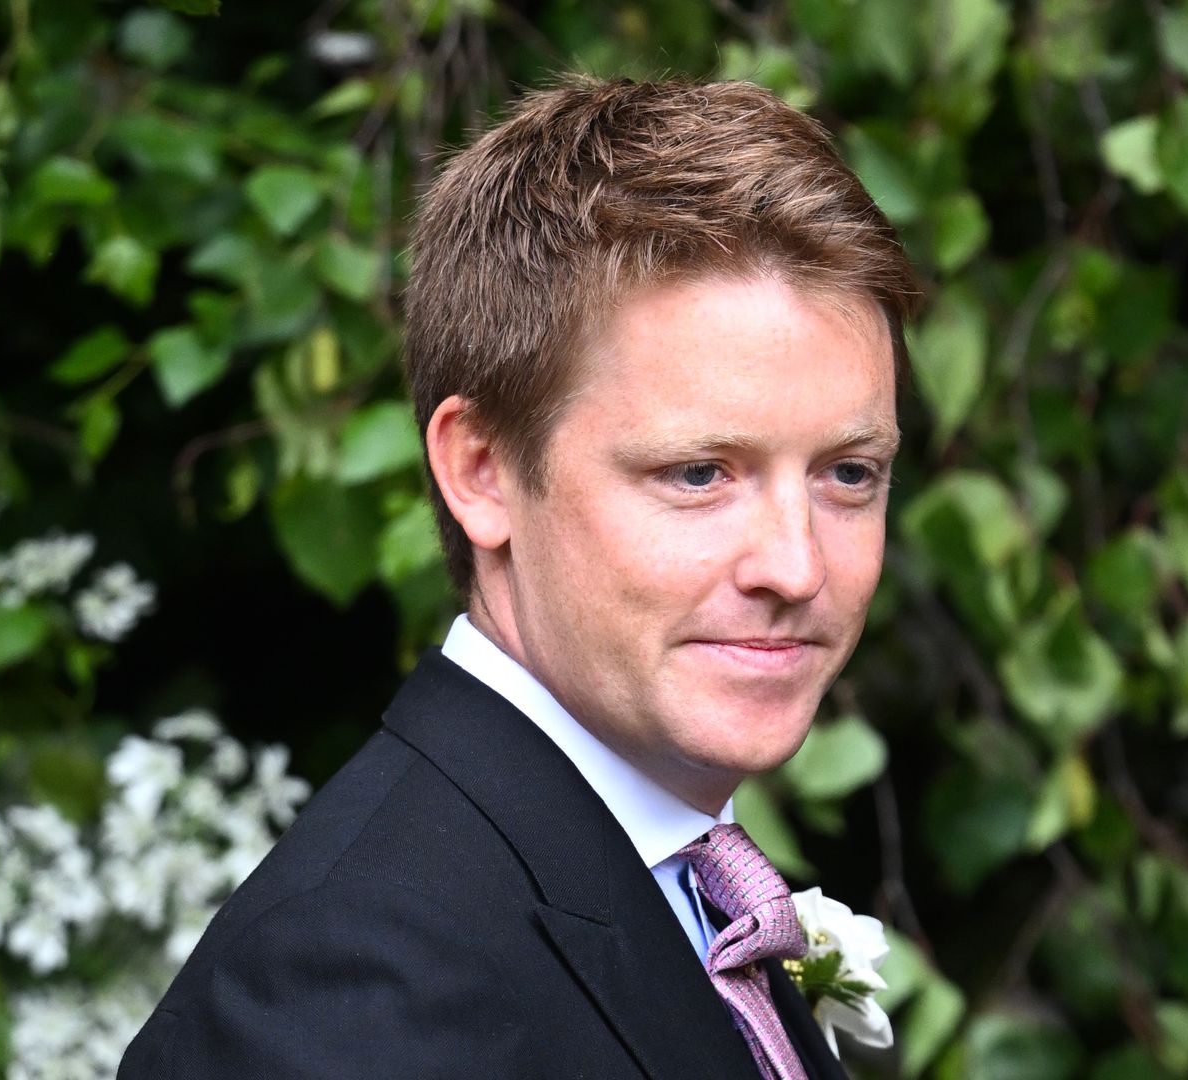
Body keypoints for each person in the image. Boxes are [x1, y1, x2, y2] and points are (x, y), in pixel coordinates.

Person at [117, 74, 919, 1079]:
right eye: (699, 474)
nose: (797, 566)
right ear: (482, 472)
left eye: (849, 473)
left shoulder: (672, 891)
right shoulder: (360, 978)